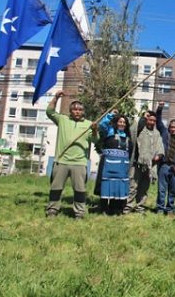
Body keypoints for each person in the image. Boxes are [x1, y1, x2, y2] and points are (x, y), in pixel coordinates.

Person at [45, 91, 97, 219]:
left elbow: (95, 140)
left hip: (79, 163)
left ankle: (79, 213)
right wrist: (56, 98)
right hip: (61, 160)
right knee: (56, 188)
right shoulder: (63, 119)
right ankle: (52, 210)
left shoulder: (89, 124)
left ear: (83, 111)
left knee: (80, 190)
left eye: (80, 109)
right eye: (74, 109)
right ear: (70, 111)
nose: (77, 111)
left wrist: (95, 129)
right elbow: (49, 112)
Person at [125, 110, 164, 214]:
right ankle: (128, 206)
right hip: (137, 163)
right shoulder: (140, 130)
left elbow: (160, 147)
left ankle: (140, 207)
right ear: (147, 120)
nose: (152, 122)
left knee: (144, 188)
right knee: (133, 186)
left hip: (149, 166)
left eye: (154, 121)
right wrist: (143, 117)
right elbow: (133, 129)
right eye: (150, 120)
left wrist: (159, 155)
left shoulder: (157, 133)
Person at [97, 111, 132, 215]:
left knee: (118, 187)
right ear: (116, 122)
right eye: (120, 122)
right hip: (108, 166)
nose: (122, 124)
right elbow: (102, 125)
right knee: (107, 186)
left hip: (121, 168)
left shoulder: (127, 136)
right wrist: (110, 115)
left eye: (124, 122)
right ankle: (103, 208)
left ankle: (115, 208)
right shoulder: (110, 131)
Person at [154, 102, 175, 215]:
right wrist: (160, 108)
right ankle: (160, 209)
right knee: (162, 189)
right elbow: (158, 120)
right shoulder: (164, 133)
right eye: (171, 127)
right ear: (169, 127)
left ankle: (170, 209)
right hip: (164, 166)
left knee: (172, 191)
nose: (173, 129)